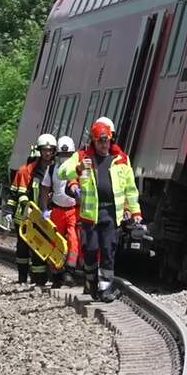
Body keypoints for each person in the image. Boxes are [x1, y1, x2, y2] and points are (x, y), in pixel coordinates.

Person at [58, 119, 141, 302]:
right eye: (100, 141)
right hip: (90, 215)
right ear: (93, 141)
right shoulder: (82, 156)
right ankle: (91, 280)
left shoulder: (121, 159)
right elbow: (61, 172)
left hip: (111, 214)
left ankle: (105, 289)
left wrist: (135, 212)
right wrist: (79, 168)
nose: (104, 145)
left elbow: (130, 189)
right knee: (90, 249)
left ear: (111, 139)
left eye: (106, 140)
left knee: (108, 250)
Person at [6, 134, 58, 285]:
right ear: (40, 151)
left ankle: (39, 280)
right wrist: (12, 210)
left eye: (50, 150)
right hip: (25, 217)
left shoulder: (57, 170)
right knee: (23, 249)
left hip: (45, 216)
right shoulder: (27, 170)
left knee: (40, 248)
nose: (47, 153)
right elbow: (20, 194)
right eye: (44, 150)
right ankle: (22, 278)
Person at [40, 135, 81, 288]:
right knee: (54, 242)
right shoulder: (52, 170)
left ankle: (69, 271)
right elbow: (44, 189)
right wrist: (44, 209)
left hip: (72, 211)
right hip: (57, 210)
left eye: (68, 154)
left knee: (73, 240)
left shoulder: (77, 170)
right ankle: (56, 273)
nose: (65, 157)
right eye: (62, 154)